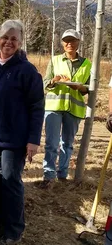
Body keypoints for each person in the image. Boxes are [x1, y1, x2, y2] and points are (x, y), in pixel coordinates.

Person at [0, 20, 45, 245]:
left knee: (10, 181)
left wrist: (33, 140)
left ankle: (14, 230)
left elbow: (37, 106)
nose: (8, 42)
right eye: (5, 38)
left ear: (20, 42)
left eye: (14, 39)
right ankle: (1, 221)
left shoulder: (27, 71)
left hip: (14, 140)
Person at [42, 29, 91, 187]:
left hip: (74, 109)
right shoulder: (55, 60)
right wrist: (54, 81)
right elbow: (45, 83)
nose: (69, 43)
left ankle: (62, 174)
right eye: (66, 40)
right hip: (54, 106)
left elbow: (89, 88)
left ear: (78, 42)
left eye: (72, 40)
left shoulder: (87, 64)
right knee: (51, 142)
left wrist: (80, 88)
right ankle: (49, 175)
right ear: (62, 43)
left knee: (67, 143)